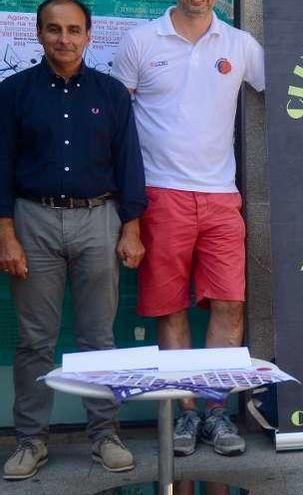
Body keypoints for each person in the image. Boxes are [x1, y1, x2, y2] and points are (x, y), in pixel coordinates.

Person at [0, 0, 147, 480]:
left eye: (73, 30)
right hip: (32, 221)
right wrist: (7, 235)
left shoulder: (111, 93)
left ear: (89, 35)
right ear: (38, 34)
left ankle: (105, 435)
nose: (64, 38)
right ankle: (30, 441)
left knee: (98, 339)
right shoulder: (14, 93)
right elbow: (0, 169)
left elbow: (129, 164)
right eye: (54, 29)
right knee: (35, 341)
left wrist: (131, 226)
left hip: (98, 219)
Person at [110, 0, 264, 457]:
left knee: (230, 304)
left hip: (221, 194)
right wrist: (130, 211)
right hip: (160, 193)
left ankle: (216, 413)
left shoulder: (240, 43)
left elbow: (295, 89)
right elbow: (117, 125)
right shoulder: (140, 41)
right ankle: (186, 414)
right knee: (171, 308)